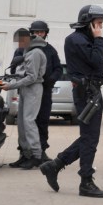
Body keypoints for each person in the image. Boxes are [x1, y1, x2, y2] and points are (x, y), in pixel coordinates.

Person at [40, 5, 103, 198]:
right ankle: (85, 181)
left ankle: (55, 165)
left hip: (90, 90)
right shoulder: (77, 39)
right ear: (88, 22)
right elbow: (95, 60)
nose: (100, 27)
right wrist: (100, 40)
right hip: (86, 93)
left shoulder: (84, 39)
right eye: (98, 23)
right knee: (90, 139)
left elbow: (93, 65)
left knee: (89, 137)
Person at [0, 26, 47, 170]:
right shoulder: (28, 52)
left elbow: (32, 77)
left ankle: (36, 155)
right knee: (21, 122)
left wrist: (11, 86)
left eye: (20, 41)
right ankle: (25, 154)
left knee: (29, 121)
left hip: (33, 88)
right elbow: (21, 73)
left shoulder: (35, 53)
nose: (18, 45)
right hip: (25, 88)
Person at [31, 20, 62, 161]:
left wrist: (51, 79)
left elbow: (58, 69)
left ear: (45, 33)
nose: (38, 34)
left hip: (45, 92)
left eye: (41, 32)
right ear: (31, 33)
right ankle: (25, 154)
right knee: (27, 123)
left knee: (42, 122)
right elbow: (15, 67)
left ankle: (41, 151)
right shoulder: (24, 48)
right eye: (36, 32)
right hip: (29, 93)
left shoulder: (50, 50)